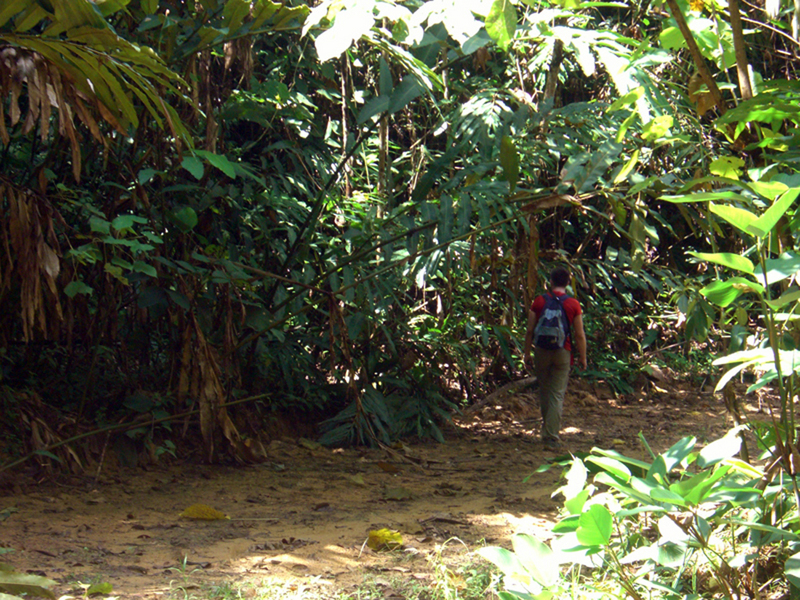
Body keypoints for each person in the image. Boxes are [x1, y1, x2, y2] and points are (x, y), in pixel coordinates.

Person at [523, 267, 587, 450]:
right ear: (568, 283)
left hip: (542, 350)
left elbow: (529, 330)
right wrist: (583, 357)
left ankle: (547, 431)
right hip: (562, 352)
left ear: (550, 281)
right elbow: (579, 334)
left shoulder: (539, 301)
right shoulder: (573, 304)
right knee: (557, 394)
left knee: (544, 390)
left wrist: (527, 353)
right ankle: (551, 436)